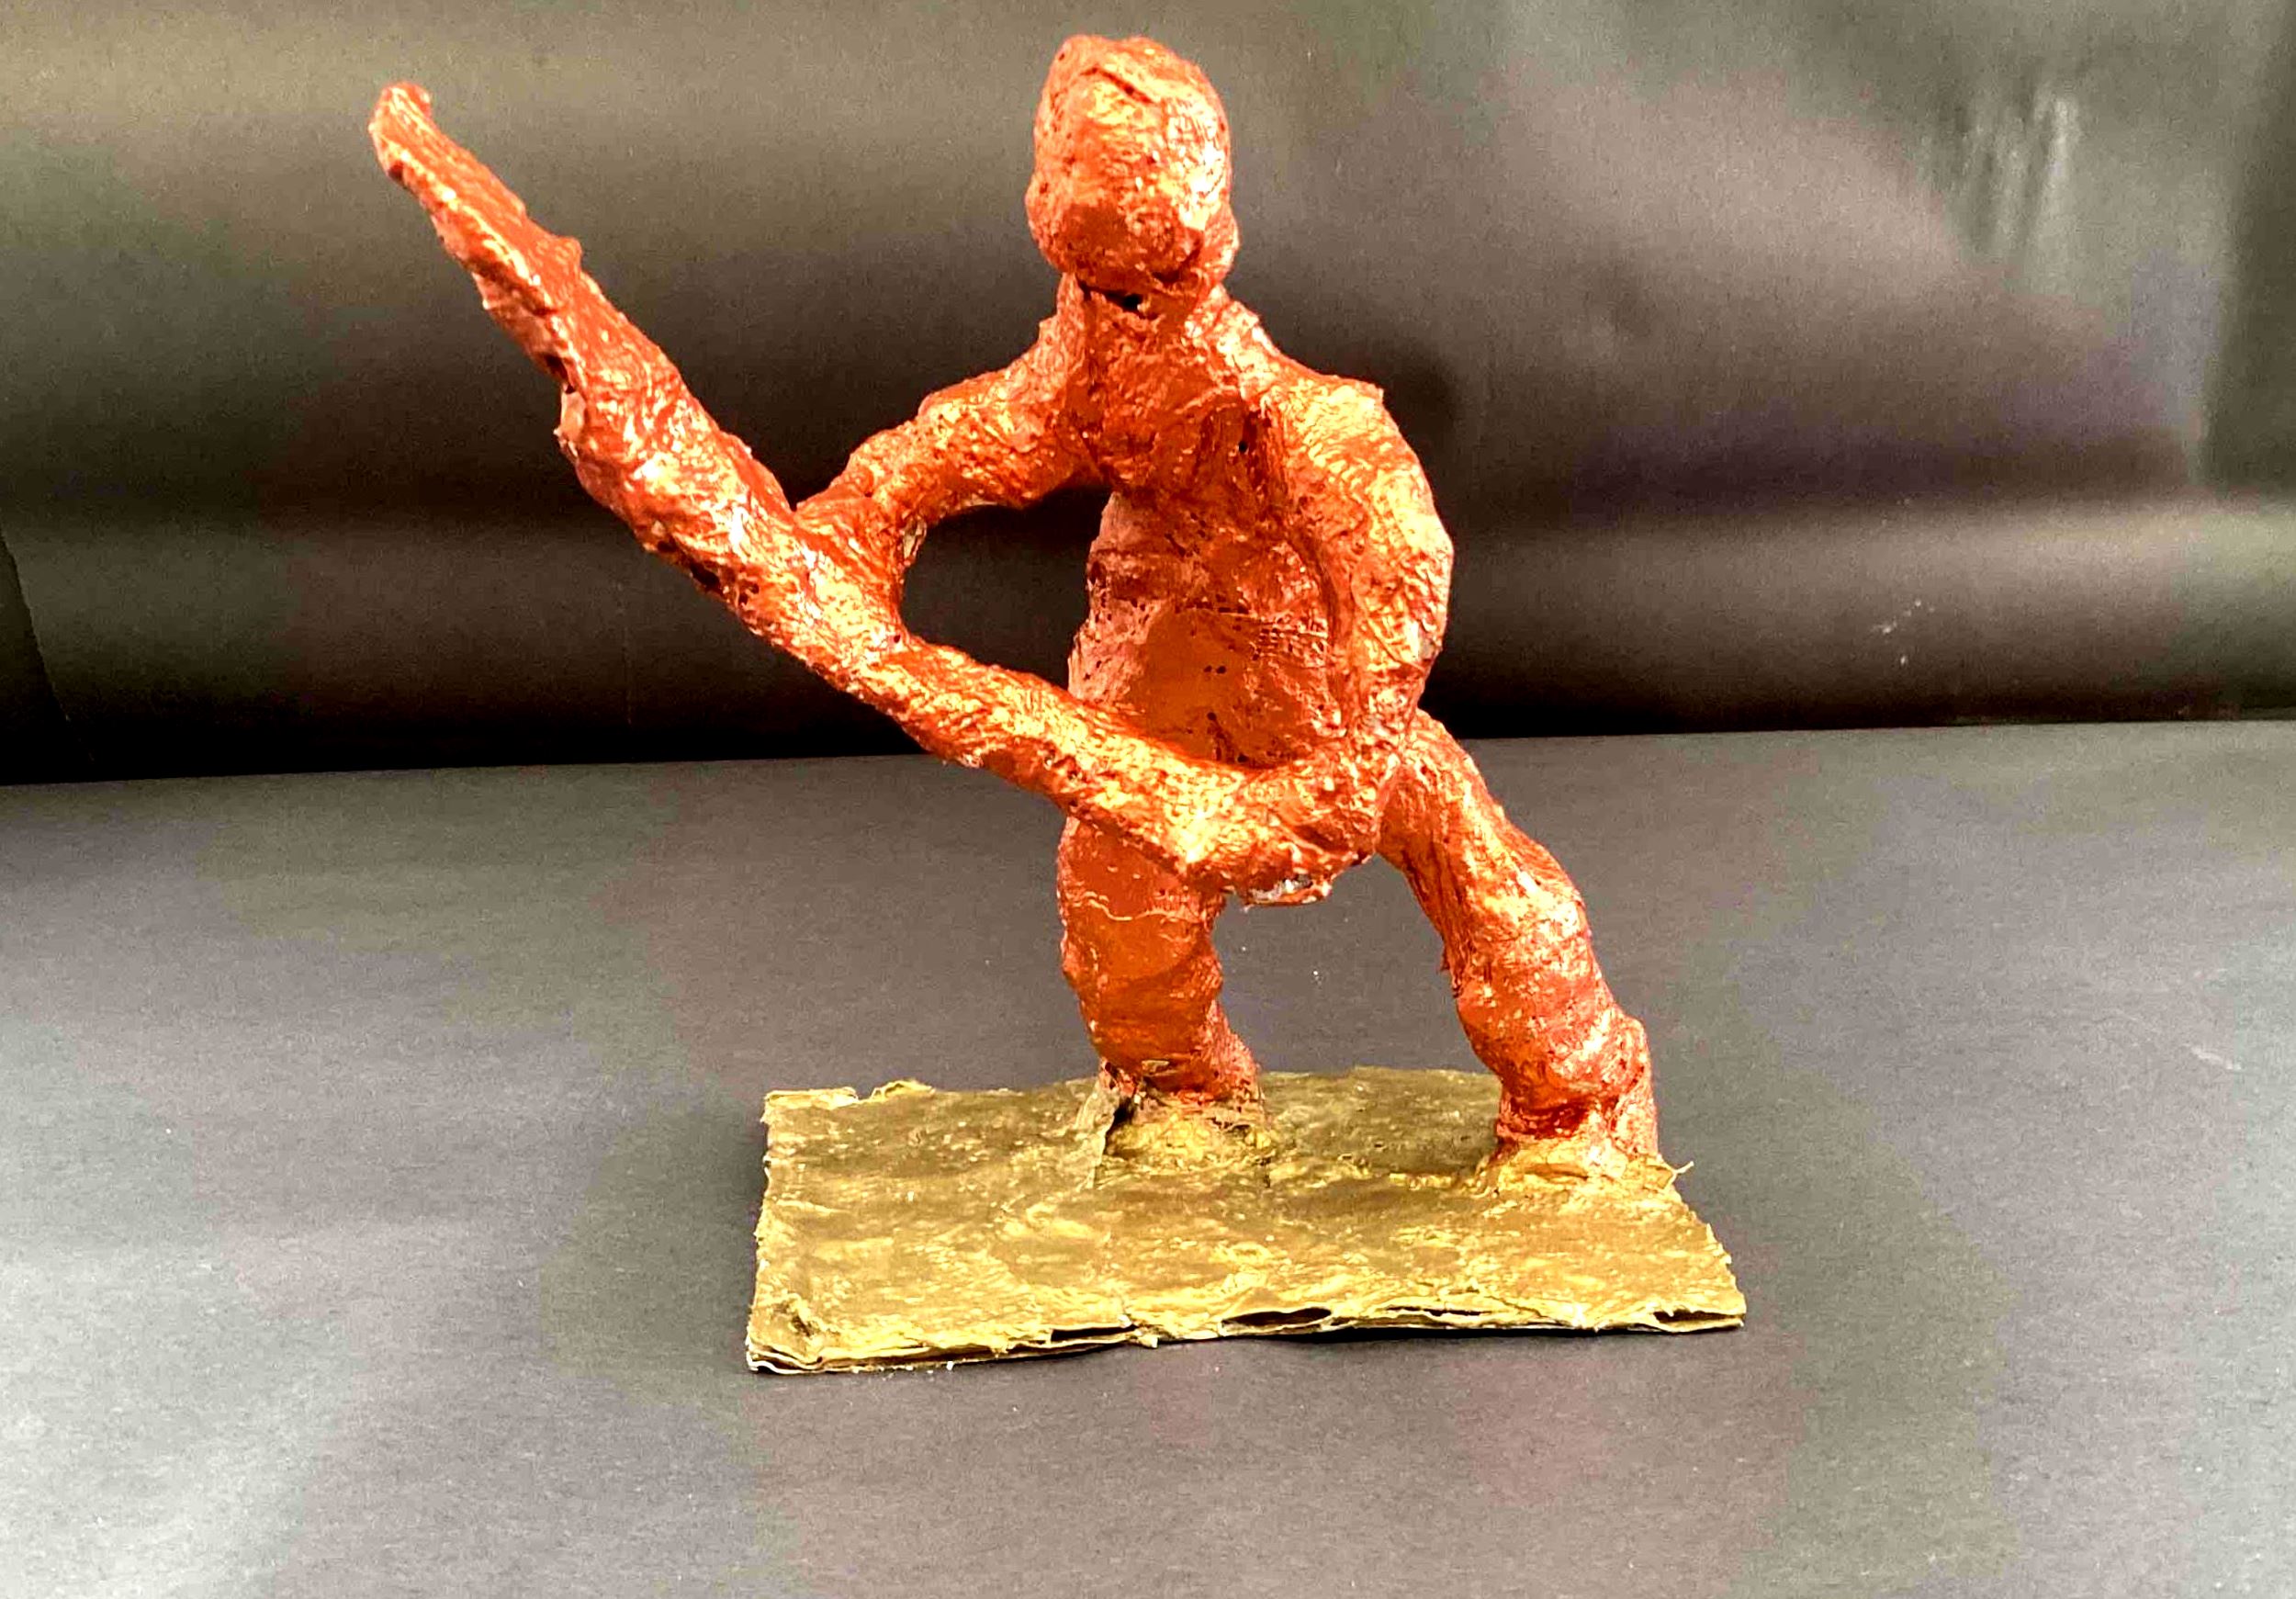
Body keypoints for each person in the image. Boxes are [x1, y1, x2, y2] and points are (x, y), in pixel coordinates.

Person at [372, 34, 1658, 1164]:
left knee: (1475, 866)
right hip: (1154, 682)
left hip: (1314, 699)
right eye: (1059, 174)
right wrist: (865, 518)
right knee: (1121, 910)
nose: (1062, 203)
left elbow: (1393, 545)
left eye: (1087, 185)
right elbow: (990, 431)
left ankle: (1579, 1102)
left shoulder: (1278, 410)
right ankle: (1183, 1097)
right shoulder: (1097, 354)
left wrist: (1355, 752)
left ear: (1194, 234)